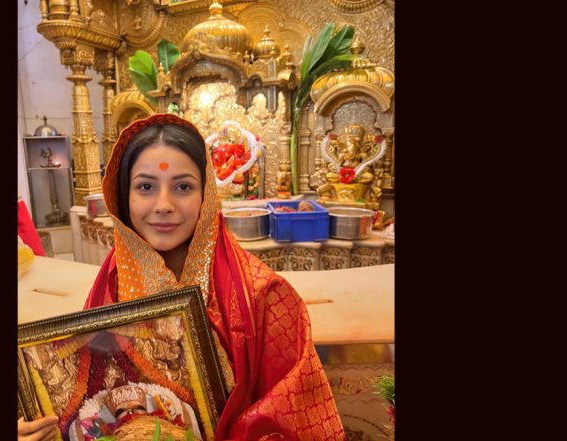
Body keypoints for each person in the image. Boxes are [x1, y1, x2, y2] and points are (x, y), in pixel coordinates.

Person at [18, 114, 344, 441]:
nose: (164, 205)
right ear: (122, 196)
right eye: (145, 186)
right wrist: (41, 427)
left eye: (183, 187)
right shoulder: (112, 281)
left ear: (207, 194)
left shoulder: (263, 296)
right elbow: (90, 402)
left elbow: (298, 419)